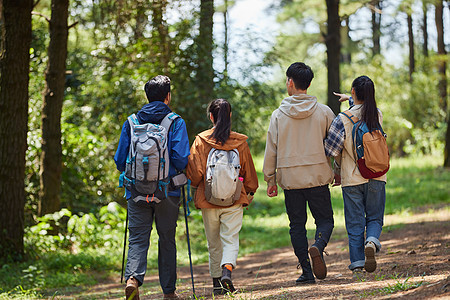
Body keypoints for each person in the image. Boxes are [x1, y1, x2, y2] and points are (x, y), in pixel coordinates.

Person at [114, 75, 190, 300]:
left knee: (137, 237)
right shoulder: (175, 122)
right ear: (168, 96)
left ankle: (132, 280)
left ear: (147, 96)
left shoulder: (132, 122)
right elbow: (181, 158)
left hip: (136, 190)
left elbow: (120, 160)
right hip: (168, 191)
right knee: (167, 238)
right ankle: (168, 293)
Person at [263, 62, 336, 284]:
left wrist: (270, 179)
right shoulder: (324, 112)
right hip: (318, 176)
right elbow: (335, 146)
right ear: (309, 84)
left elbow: (271, 149)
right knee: (325, 220)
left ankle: (306, 270)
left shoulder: (278, 116)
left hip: (291, 179)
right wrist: (338, 170)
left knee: (297, 225)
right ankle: (318, 245)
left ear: (290, 82)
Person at [186, 98, 258, 295]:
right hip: (234, 199)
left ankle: (217, 283)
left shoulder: (201, 140)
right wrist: (250, 191)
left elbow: (194, 174)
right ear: (230, 116)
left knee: (214, 243)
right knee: (230, 239)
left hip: (208, 200)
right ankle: (227, 270)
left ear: (211, 116)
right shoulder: (240, 142)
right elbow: (249, 172)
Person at [323, 75, 387, 277]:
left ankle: (358, 263)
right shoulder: (377, 114)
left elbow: (331, 149)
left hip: (352, 179)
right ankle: (372, 241)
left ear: (353, 92)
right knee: (375, 217)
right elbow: (363, 108)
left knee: (355, 222)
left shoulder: (342, 119)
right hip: (377, 175)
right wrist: (351, 98)